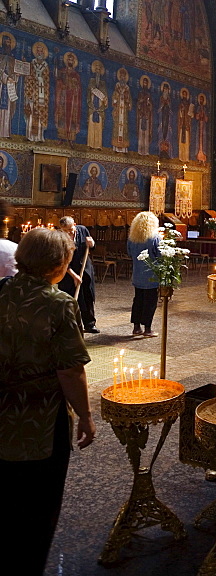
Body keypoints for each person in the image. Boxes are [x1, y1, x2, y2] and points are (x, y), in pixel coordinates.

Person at [0, 226, 95, 574]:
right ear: (58, 265)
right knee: (38, 502)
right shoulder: (59, 304)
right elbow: (70, 370)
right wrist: (85, 415)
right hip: (41, 417)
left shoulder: (1, 290)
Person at [58, 216, 98, 333]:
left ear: (74, 224)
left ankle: (90, 324)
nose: (69, 232)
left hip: (85, 268)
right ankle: (70, 324)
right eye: (66, 231)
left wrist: (92, 244)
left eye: (71, 229)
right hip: (68, 271)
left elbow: (91, 247)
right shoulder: (59, 238)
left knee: (87, 296)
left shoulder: (83, 230)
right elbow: (62, 260)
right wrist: (74, 276)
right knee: (71, 297)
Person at [127, 210, 161, 338]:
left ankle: (136, 327)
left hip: (137, 274)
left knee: (138, 300)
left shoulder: (132, 238)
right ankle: (148, 328)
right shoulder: (154, 238)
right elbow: (160, 255)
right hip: (151, 276)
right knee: (150, 302)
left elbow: (129, 253)